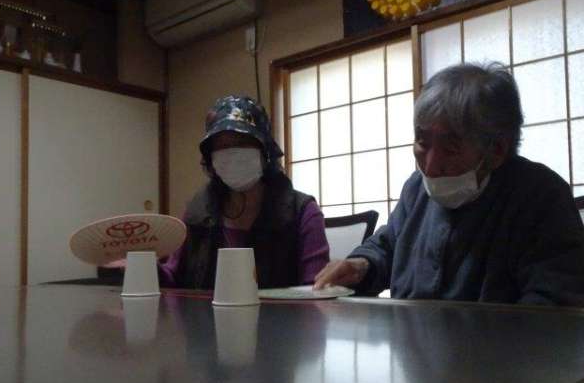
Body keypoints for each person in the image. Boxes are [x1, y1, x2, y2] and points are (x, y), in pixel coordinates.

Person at [314, 62, 584, 306]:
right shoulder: (416, 188)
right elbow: (388, 245)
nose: (430, 167)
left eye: (450, 149)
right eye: (422, 143)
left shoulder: (542, 196)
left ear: (497, 150)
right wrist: (362, 265)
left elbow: (554, 306)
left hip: (497, 345)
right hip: (412, 343)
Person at [159, 95, 329, 289]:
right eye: (222, 146)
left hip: (278, 310)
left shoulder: (302, 212)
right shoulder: (196, 212)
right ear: (210, 159)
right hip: (204, 310)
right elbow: (173, 277)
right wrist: (143, 263)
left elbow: (316, 289)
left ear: (265, 151)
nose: (232, 154)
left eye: (242, 141)